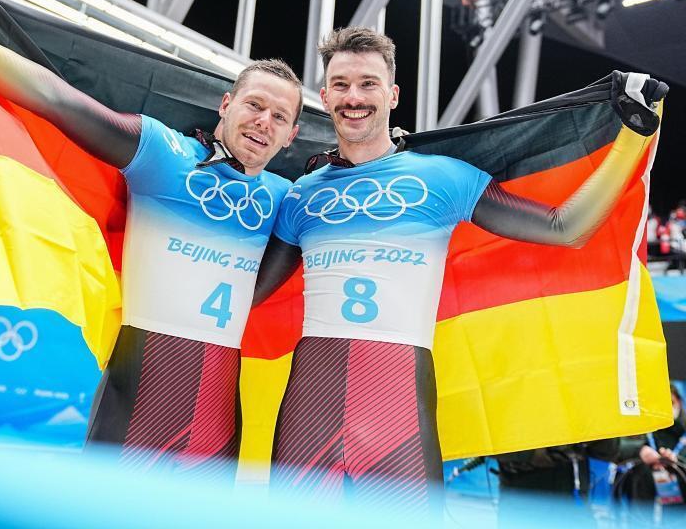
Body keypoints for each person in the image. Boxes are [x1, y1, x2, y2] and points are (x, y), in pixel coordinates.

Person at [0, 0, 301, 475]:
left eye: (280, 116)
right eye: (254, 105)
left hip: (221, 414)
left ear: (291, 135)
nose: (263, 122)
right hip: (135, 397)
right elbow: (52, 97)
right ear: (226, 105)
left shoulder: (291, 199)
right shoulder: (161, 153)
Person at [253, 26, 667, 506]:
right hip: (311, 395)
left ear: (392, 94)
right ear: (324, 96)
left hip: (397, 393)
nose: (354, 97)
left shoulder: (444, 176)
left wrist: (633, 135)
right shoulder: (302, 193)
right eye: (341, 85)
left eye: (368, 83)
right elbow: (252, 291)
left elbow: (564, 227)